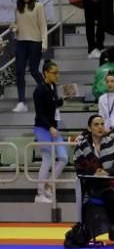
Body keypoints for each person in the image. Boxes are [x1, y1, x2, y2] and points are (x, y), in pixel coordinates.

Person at [74, 114, 114, 245]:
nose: (100, 127)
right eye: (96, 125)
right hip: (93, 186)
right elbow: (80, 169)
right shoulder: (82, 146)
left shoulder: (113, 143)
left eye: (102, 124)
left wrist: (106, 172)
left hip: (113, 183)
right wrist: (94, 172)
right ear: (89, 128)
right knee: (112, 197)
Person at [33, 60, 66, 203]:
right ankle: (40, 194)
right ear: (45, 73)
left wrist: (63, 100)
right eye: (54, 73)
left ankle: (48, 186)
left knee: (63, 158)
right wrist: (50, 127)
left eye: (58, 72)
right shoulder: (39, 90)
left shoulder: (53, 86)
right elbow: (40, 114)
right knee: (46, 160)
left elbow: (53, 104)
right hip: (42, 128)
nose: (57, 75)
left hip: (53, 127)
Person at [11, 0, 46, 114]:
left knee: (33, 70)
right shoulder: (18, 8)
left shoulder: (38, 6)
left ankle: (47, 90)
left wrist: (44, 42)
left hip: (35, 42)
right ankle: (21, 102)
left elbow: (43, 25)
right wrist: (14, 28)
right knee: (19, 71)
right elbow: (18, 27)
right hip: (21, 42)